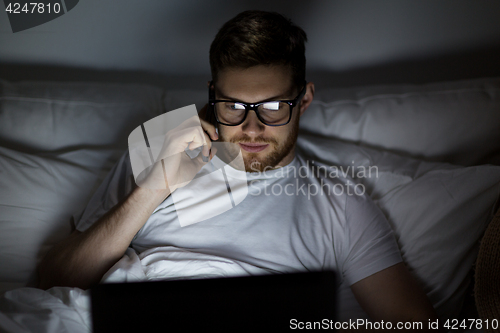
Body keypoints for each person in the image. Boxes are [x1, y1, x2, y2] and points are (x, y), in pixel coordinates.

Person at [38, 10, 438, 328]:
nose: (251, 128)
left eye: (273, 107)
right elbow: (56, 279)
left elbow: (412, 325)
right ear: (213, 95)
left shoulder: (340, 206)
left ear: (304, 99)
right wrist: (155, 186)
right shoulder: (157, 147)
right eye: (234, 106)